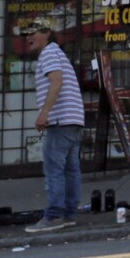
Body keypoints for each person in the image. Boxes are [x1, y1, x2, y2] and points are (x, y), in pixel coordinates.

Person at [26, 20, 86, 233]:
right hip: (73, 119)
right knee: (71, 169)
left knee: (54, 169)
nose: (27, 37)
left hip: (60, 121)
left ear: (47, 33)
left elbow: (56, 82)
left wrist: (44, 114)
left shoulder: (49, 53)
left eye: (32, 32)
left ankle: (54, 216)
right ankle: (69, 213)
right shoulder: (58, 53)